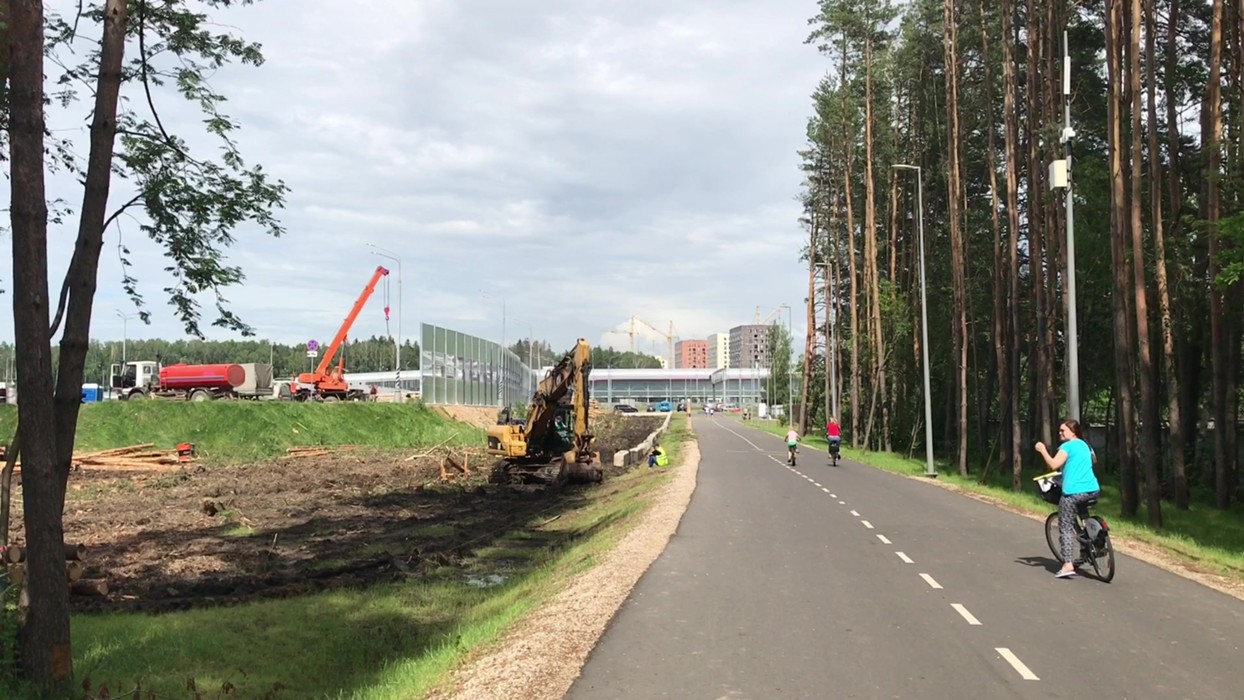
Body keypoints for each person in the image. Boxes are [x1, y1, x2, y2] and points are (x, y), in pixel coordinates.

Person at [1035, 418, 1100, 578]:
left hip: (1073, 493)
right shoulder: (1086, 445)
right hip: (1093, 489)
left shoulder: (1067, 446)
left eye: (1063, 430)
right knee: (1082, 516)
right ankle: (1090, 548)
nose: (1060, 433)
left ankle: (1068, 564)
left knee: (1065, 526)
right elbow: (1094, 461)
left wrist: (1042, 449)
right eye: (1059, 430)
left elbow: (1053, 464)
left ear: (1073, 432)